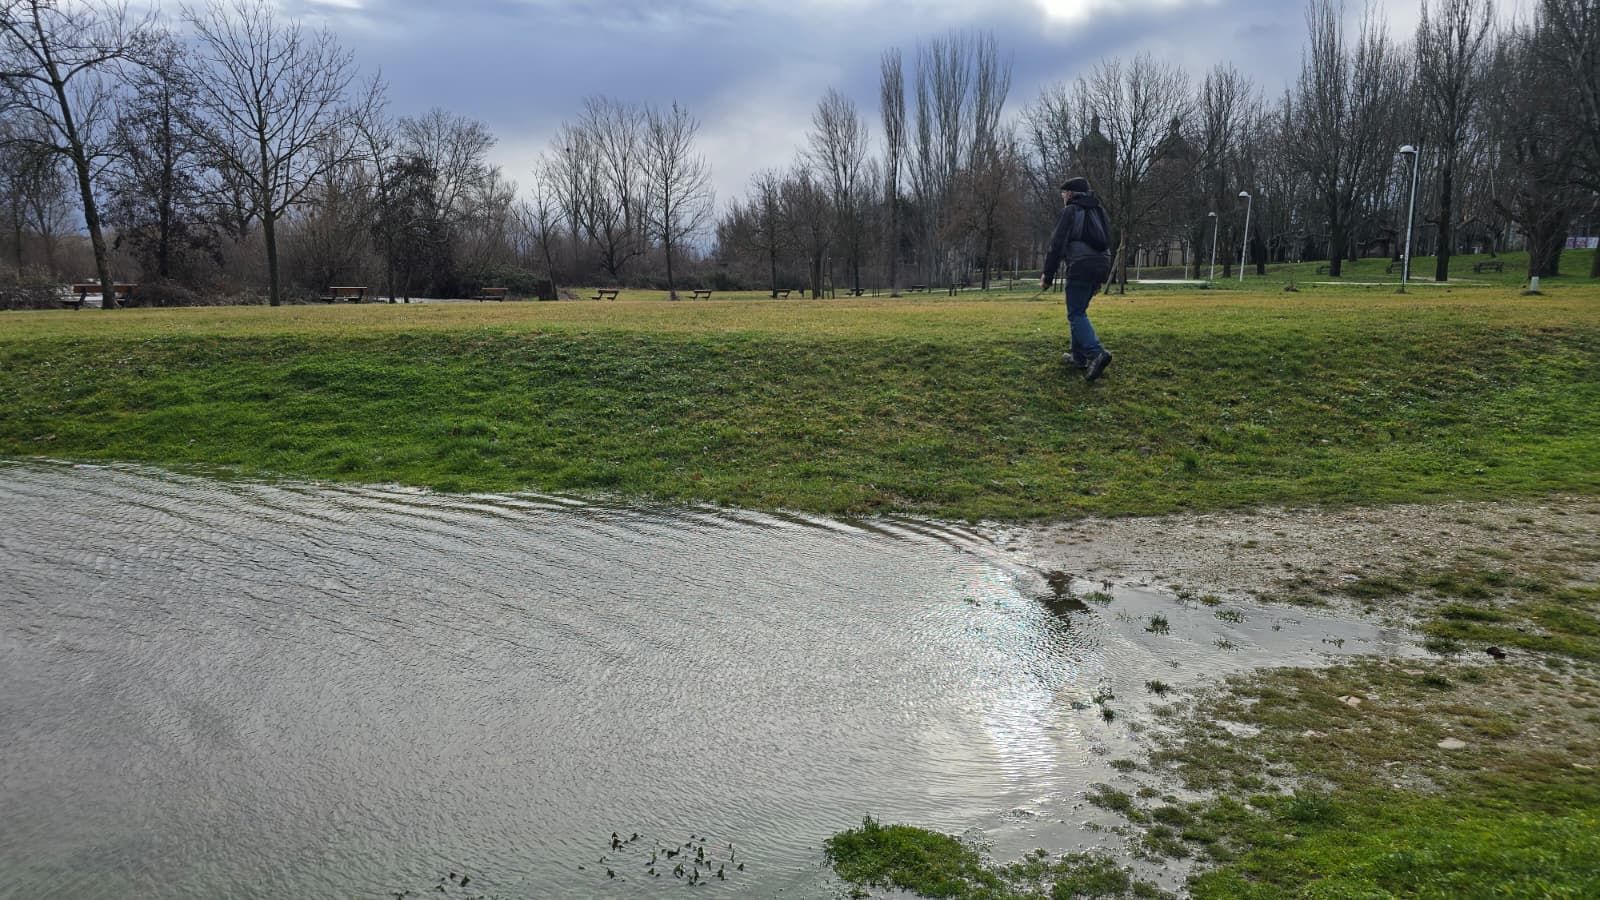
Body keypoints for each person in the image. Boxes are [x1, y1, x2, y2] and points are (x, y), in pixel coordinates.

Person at [1040, 176, 1114, 382]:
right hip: (1101, 265)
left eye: (1064, 194)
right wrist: (1101, 277)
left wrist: (1048, 275)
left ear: (1071, 194)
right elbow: (1107, 241)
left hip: (1080, 266)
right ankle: (1079, 358)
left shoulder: (1070, 211)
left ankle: (1096, 353)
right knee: (1079, 311)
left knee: (1076, 314)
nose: (1063, 197)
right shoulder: (1099, 211)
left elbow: (1057, 244)